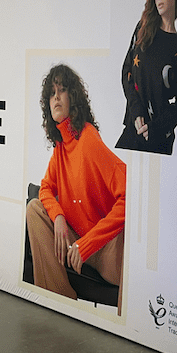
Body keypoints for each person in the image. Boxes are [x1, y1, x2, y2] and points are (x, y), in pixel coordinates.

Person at [26, 64, 126, 306]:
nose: (56, 97)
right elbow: (46, 188)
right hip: (77, 245)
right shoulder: (62, 147)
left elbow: (129, 197)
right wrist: (58, 216)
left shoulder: (88, 138)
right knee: (35, 209)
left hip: (105, 250)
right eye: (51, 93)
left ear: (73, 97)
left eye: (62, 91)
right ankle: (58, 302)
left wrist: (88, 243)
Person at [116, 0, 177, 155]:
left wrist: (155, 128)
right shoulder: (143, 29)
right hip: (133, 128)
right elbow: (127, 73)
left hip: (159, 141)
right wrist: (137, 112)